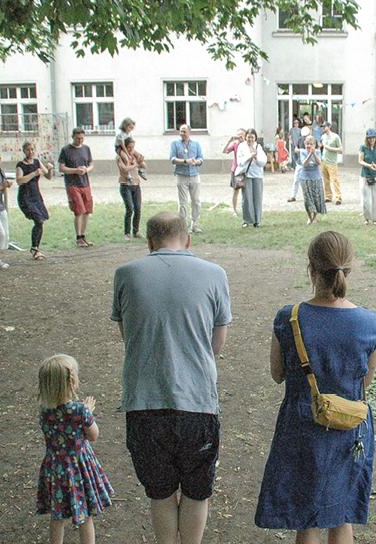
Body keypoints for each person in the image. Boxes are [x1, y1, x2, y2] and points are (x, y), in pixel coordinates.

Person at [111, 211, 231, 544]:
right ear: (187, 239)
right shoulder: (215, 274)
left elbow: (128, 334)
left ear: (149, 242)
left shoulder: (125, 275)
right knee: (196, 491)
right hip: (198, 402)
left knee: (160, 492)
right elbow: (216, 345)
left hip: (144, 402)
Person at [255, 231, 376, 543]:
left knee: (307, 517)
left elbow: (277, 374)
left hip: (301, 426)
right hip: (350, 428)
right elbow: (364, 383)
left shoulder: (290, 317)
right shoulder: (369, 323)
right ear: (348, 270)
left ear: (311, 269)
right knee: (342, 516)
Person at [36, 354, 113, 544]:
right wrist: (88, 412)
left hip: (55, 469)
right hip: (78, 470)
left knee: (58, 516)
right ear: (72, 381)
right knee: (85, 515)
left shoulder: (45, 411)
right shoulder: (80, 411)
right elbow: (93, 435)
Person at [16, 142, 54, 261]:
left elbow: (48, 176)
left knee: (41, 221)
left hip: (35, 195)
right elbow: (19, 180)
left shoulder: (37, 162)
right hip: (25, 196)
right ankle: (34, 248)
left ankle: (35, 247)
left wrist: (50, 168)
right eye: (28, 150)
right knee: (38, 220)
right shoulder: (21, 165)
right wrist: (33, 174)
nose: (30, 152)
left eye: (32, 149)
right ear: (24, 151)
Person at [58, 128, 96, 247]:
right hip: (72, 184)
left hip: (85, 183)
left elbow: (91, 164)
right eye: (78, 138)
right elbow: (61, 168)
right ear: (73, 137)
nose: (80, 140)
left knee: (87, 210)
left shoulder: (86, 149)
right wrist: (75, 170)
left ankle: (84, 235)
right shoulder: (66, 150)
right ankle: (78, 237)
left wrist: (86, 170)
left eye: (82, 138)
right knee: (79, 210)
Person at [169, 124, 204, 234]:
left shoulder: (196, 144)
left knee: (196, 201)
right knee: (183, 202)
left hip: (194, 175)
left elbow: (201, 158)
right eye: (181, 131)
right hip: (181, 175)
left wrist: (197, 162)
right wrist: (185, 161)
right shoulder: (175, 144)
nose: (182, 133)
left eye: (184, 131)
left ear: (189, 132)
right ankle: (183, 225)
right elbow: (172, 159)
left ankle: (194, 223)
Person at [234, 128, 268, 228]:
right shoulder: (241, 146)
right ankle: (247, 220)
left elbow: (263, 162)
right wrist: (250, 156)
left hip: (257, 175)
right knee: (247, 198)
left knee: (257, 197)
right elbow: (240, 161)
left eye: (252, 137)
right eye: (248, 137)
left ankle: (257, 220)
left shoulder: (258, 147)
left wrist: (256, 157)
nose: (250, 139)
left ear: (255, 138)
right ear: (245, 137)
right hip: (246, 175)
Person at [116, 137, 147, 240]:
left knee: (138, 209)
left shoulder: (133, 154)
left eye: (132, 147)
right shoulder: (120, 156)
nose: (131, 149)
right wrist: (136, 164)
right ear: (124, 146)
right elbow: (125, 169)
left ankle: (136, 231)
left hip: (136, 184)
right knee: (130, 208)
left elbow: (144, 166)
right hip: (125, 185)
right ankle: (127, 233)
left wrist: (140, 160)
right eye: (129, 147)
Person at [359, 128, 376, 225]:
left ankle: (375, 219)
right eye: (370, 138)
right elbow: (360, 160)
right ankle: (366, 219)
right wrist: (369, 165)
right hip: (365, 175)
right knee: (366, 198)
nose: (371, 140)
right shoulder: (363, 147)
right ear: (367, 138)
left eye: (373, 138)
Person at [298, 135, 327, 225]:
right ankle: (309, 217)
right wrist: (310, 154)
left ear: (315, 145)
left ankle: (314, 217)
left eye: (311, 144)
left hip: (316, 177)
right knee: (307, 199)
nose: (309, 146)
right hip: (305, 178)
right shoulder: (302, 152)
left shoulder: (317, 152)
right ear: (304, 144)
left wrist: (313, 153)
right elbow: (304, 164)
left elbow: (319, 162)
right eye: (307, 144)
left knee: (316, 198)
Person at [223, 128, 247, 215]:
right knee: (235, 190)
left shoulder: (247, 144)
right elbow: (225, 151)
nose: (240, 137)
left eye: (241, 135)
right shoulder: (235, 144)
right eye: (238, 135)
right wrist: (229, 141)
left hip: (245, 170)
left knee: (246, 191)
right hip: (236, 170)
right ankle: (234, 210)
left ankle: (246, 209)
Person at [320, 122, 343, 205]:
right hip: (324, 161)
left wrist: (330, 148)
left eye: (324, 126)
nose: (323, 128)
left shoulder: (335, 137)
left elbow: (340, 149)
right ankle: (328, 196)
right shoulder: (323, 137)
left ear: (329, 127)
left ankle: (338, 197)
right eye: (322, 127)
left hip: (332, 162)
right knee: (326, 180)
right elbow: (321, 146)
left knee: (335, 180)